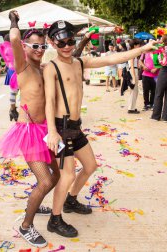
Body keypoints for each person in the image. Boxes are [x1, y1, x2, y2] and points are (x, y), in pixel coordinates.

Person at [44, 20, 156, 237]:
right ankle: (54, 220)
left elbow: (111, 58)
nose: (66, 46)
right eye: (61, 43)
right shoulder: (51, 68)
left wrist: (142, 49)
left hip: (75, 127)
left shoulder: (79, 62)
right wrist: (51, 130)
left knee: (90, 166)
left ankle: (71, 200)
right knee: (66, 175)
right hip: (61, 127)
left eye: (70, 41)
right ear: (52, 42)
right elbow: (49, 100)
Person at [0, 11, 60, 248]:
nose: (39, 49)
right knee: (45, 181)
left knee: (58, 177)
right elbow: (14, 39)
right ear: (26, 46)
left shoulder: (44, 68)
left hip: (47, 130)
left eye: (42, 45)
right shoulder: (23, 66)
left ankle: (36, 202)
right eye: (34, 45)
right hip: (29, 132)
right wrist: (14, 21)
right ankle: (26, 226)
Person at [127, 39, 142, 114]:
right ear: (135, 45)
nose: (139, 46)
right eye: (138, 45)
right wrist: (133, 77)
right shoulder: (132, 54)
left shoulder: (132, 53)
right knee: (134, 91)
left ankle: (131, 106)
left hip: (134, 71)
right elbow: (132, 66)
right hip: (133, 71)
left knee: (133, 91)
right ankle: (131, 108)